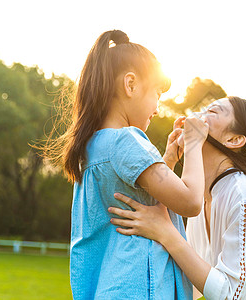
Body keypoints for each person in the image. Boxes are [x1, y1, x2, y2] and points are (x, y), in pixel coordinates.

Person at [109, 97, 246, 299]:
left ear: (234, 139)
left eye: (212, 111)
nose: (195, 117)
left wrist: (167, 233)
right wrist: (168, 159)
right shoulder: (203, 198)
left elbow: (229, 294)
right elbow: (193, 283)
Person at [46, 29, 210, 299]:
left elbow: (138, 196)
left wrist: (167, 159)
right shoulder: (127, 140)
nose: (157, 107)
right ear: (130, 85)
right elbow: (191, 202)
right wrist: (194, 143)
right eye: (157, 93)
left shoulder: (93, 145)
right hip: (139, 289)